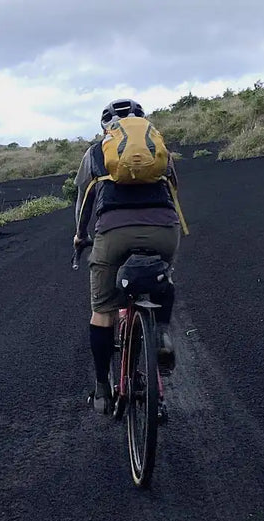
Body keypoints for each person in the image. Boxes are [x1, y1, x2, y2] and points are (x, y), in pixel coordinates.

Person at [73, 98, 181, 414]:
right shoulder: (159, 150)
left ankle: (102, 389)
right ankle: (160, 333)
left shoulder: (95, 153)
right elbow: (173, 191)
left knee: (103, 311)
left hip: (114, 234)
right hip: (164, 230)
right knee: (162, 278)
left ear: (105, 127)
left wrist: (80, 236)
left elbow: (84, 201)